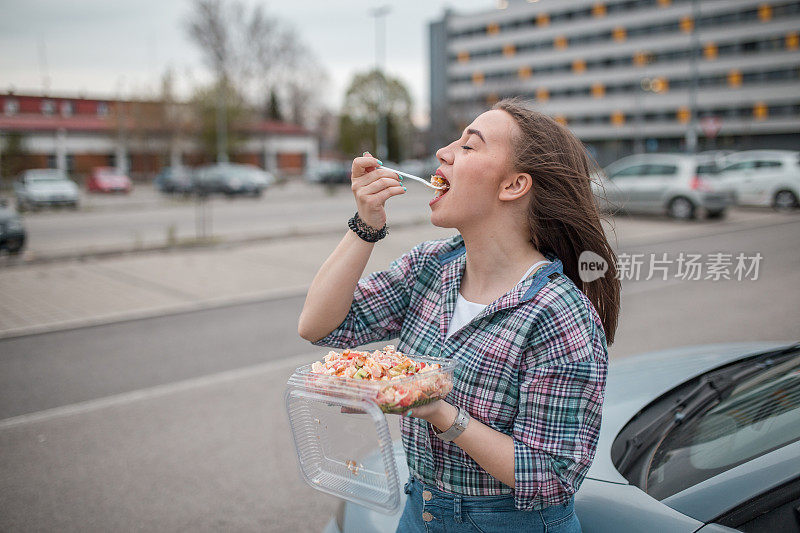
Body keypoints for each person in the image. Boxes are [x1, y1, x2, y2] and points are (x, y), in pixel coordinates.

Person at [298, 98, 620, 532]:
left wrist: (438, 411)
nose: (443, 153)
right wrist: (366, 223)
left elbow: (552, 477)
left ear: (513, 185)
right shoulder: (430, 266)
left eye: (469, 147)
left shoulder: (558, 313)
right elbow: (320, 325)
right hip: (421, 511)